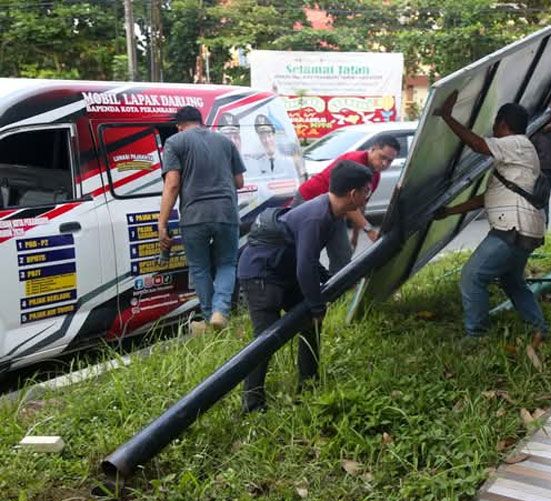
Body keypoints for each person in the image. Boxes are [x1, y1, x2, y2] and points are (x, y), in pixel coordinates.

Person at [238, 160, 374, 413]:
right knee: (264, 341)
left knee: (311, 325)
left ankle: (308, 385)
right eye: (367, 190)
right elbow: (305, 264)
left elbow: (308, 260)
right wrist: (316, 304)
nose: (368, 195)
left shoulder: (332, 213)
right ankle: (252, 403)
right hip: (261, 274)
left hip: (284, 272)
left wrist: (321, 285)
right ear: (353, 194)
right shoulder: (317, 216)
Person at [433, 91, 548, 352]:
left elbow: (478, 145)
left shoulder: (516, 143)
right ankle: (539, 328)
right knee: (512, 282)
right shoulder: (514, 157)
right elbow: (487, 198)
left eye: (495, 124)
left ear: (503, 124)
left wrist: (447, 117)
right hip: (524, 229)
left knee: (472, 277)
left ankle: (477, 336)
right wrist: (451, 211)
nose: (493, 129)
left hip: (512, 229)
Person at [159, 106, 245, 331]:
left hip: (194, 216)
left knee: (199, 268)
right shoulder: (226, 142)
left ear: (179, 126)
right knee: (227, 263)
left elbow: (173, 184)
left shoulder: (175, 142)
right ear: (201, 121)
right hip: (226, 213)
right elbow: (239, 182)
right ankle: (220, 311)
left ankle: (209, 317)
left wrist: (162, 223)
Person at [292, 135, 400, 273]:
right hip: (308, 201)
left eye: (389, 161)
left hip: (335, 212)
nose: (385, 164)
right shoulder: (354, 162)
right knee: (301, 252)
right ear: (372, 149)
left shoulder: (375, 176)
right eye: (382, 157)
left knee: (343, 256)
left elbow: (358, 206)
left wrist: (355, 236)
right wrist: (369, 230)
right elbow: (347, 201)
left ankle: (335, 291)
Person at [245, 114, 298, 179]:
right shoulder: (256, 164)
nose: (267, 141)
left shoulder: (287, 161)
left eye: (269, 136)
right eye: (262, 137)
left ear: (274, 135)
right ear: (259, 138)